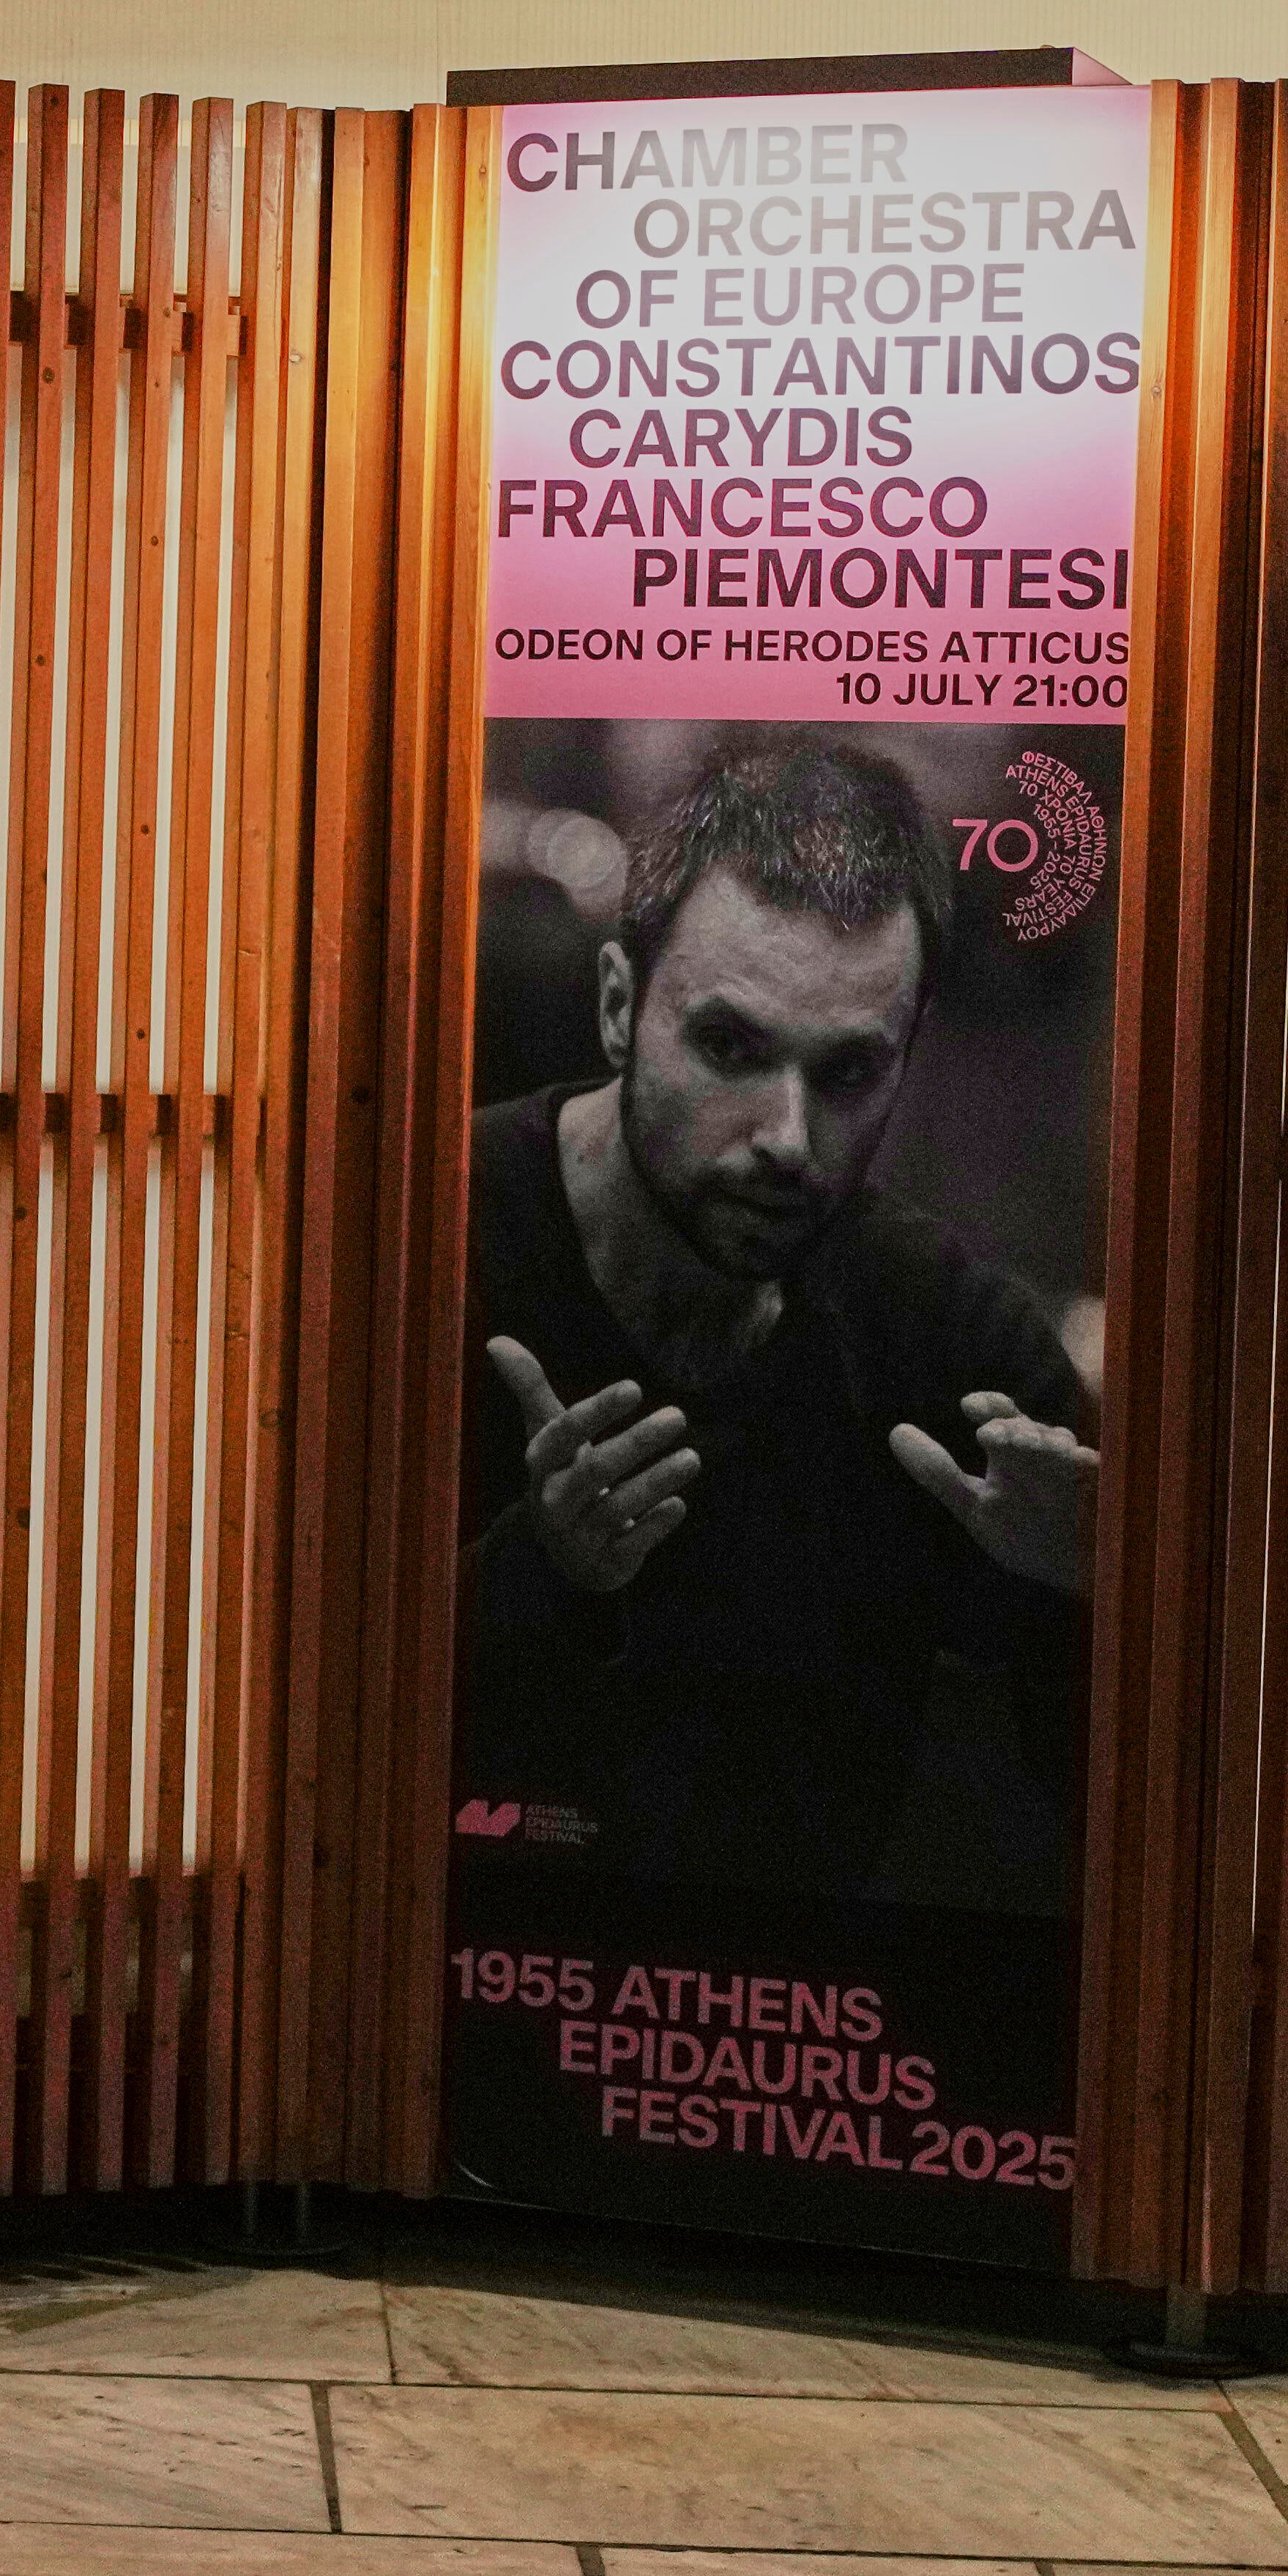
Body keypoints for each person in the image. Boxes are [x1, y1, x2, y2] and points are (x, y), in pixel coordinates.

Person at [454, 733, 1096, 1912]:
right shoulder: (428, 1241)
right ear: (616, 1008)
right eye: (731, 1049)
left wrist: (1087, 1602)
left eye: (847, 1073)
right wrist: (535, 1577)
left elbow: (1120, 1838)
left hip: (819, 2037)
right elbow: (265, 1716)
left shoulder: (945, 1336)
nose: (788, 1141)